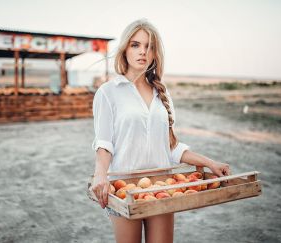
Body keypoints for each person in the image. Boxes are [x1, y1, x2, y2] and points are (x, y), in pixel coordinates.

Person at [91, 19, 231, 243]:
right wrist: (100, 175)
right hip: (124, 189)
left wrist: (209, 162)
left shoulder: (161, 94)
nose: (143, 51)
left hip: (161, 188)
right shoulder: (108, 92)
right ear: (125, 48)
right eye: (136, 44)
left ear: (155, 53)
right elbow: (104, 144)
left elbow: (172, 147)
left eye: (150, 46)